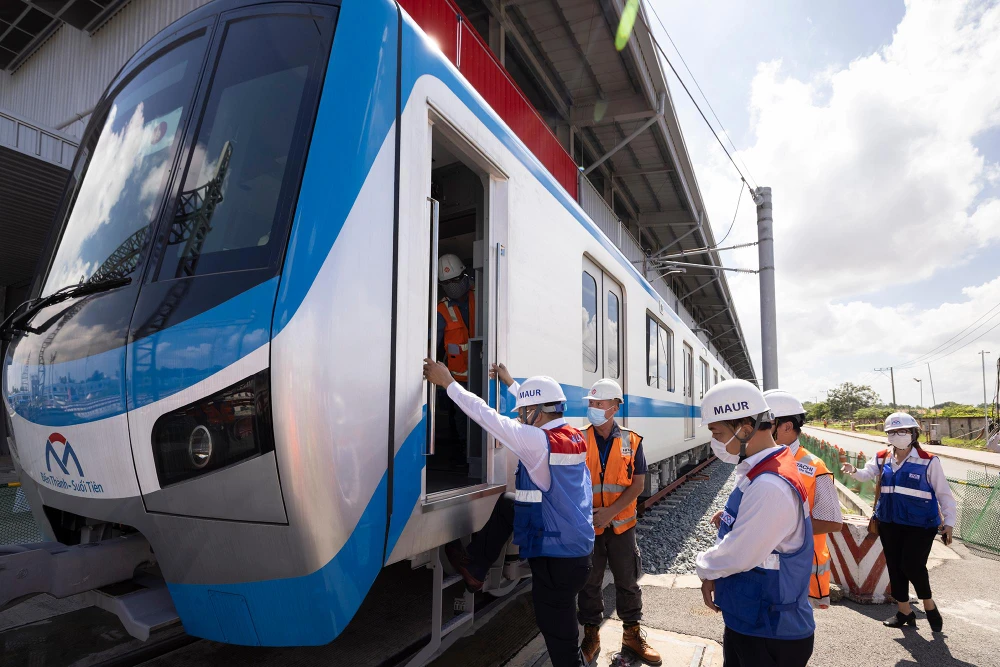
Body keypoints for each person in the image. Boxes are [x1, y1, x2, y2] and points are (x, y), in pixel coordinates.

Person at [423, 359, 593, 667]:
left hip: (556, 559)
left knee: (559, 638)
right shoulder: (573, 435)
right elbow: (536, 407)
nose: (522, 420)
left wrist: (449, 382)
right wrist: (512, 383)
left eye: (525, 414)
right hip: (577, 552)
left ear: (536, 413)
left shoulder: (535, 441)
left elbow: (487, 417)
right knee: (507, 504)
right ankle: (475, 569)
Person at [696, 380, 814, 667]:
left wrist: (706, 569)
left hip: (771, 630)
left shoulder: (770, 484)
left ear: (745, 428)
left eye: (718, 432)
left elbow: (741, 552)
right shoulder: (762, 470)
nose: (715, 441)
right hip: (754, 618)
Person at [841, 412, 956, 631]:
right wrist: (854, 471)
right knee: (894, 567)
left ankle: (929, 605)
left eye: (903, 431)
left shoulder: (928, 461)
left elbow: (944, 494)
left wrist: (949, 522)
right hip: (889, 521)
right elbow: (866, 474)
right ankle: (904, 612)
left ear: (914, 433)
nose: (898, 435)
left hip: (921, 524)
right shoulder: (882, 456)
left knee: (912, 565)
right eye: (893, 432)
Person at [577, 379, 661, 666]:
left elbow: (637, 486)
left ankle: (632, 636)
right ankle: (591, 635)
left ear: (614, 407)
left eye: (599, 404)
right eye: (591, 403)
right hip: (588, 527)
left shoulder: (630, 440)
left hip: (621, 526)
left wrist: (610, 512)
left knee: (628, 582)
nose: (593, 409)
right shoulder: (579, 438)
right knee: (590, 583)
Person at [764, 389, 843, 609]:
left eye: (765, 424)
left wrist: (782, 530)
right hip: (767, 572)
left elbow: (833, 522)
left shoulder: (814, 468)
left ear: (787, 427)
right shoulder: (761, 460)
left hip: (800, 575)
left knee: (791, 635)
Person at [436, 253, 476, 465]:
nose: (451, 286)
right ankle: (464, 456)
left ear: (464, 275)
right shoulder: (441, 309)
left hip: (483, 372)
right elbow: (433, 342)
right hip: (458, 377)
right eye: (446, 283)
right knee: (461, 417)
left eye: (455, 281)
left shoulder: (482, 291)